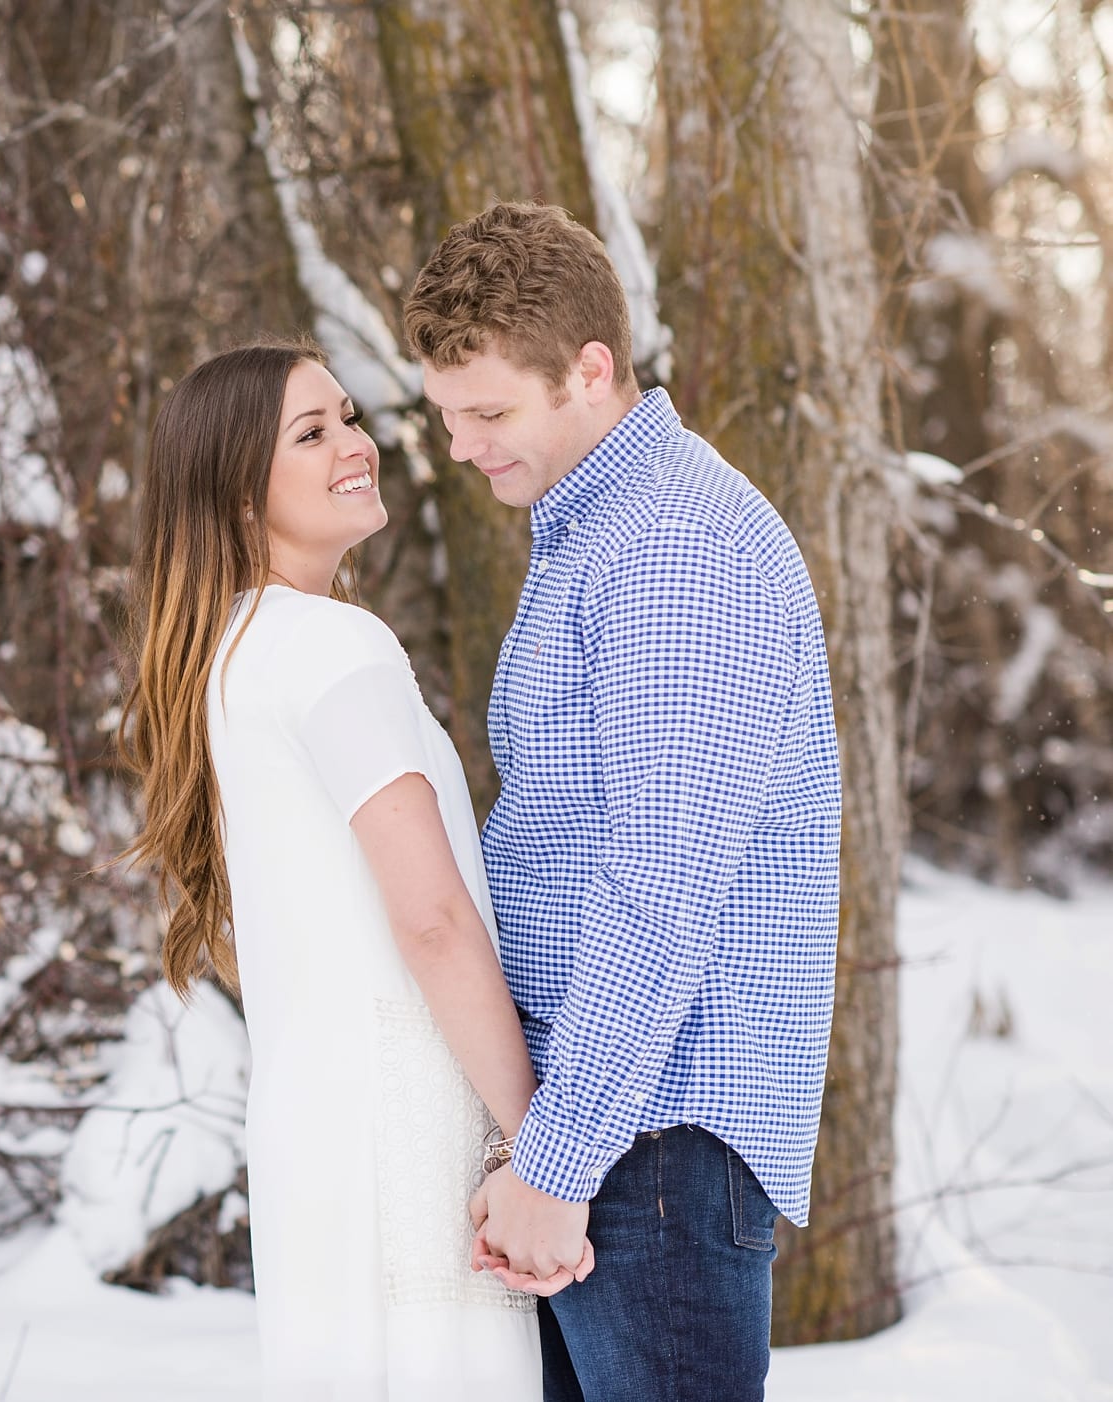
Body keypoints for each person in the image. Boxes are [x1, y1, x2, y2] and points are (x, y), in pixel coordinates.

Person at [402, 201, 841, 1402]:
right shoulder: (605, 533)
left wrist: (557, 1158)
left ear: (590, 370)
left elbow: (663, 884)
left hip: (649, 1147)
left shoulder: (671, 550)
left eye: (488, 413)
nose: (462, 447)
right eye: (447, 417)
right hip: (613, 1136)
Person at [119, 339, 563, 1398]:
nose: (353, 445)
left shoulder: (232, 654)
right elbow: (434, 921)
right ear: (236, 497)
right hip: (408, 1140)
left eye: (349, 418)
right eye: (310, 435)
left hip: (312, 1138)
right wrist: (536, 1142)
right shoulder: (332, 648)